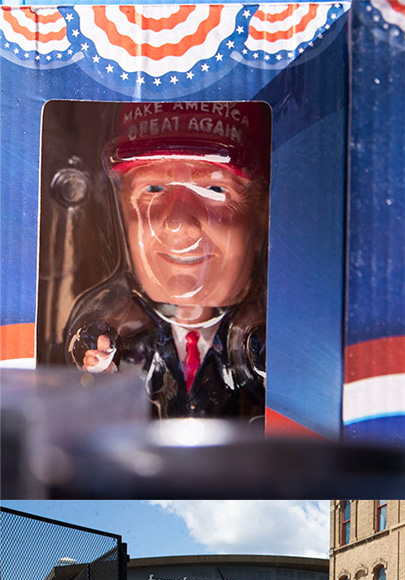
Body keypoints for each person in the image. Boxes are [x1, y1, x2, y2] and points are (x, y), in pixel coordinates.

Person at [65, 101, 270, 420]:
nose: (177, 224)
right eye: (154, 188)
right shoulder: (130, 337)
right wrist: (98, 360)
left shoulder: (262, 342)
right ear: (122, 207)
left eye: (215, 188)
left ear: (263, 213)